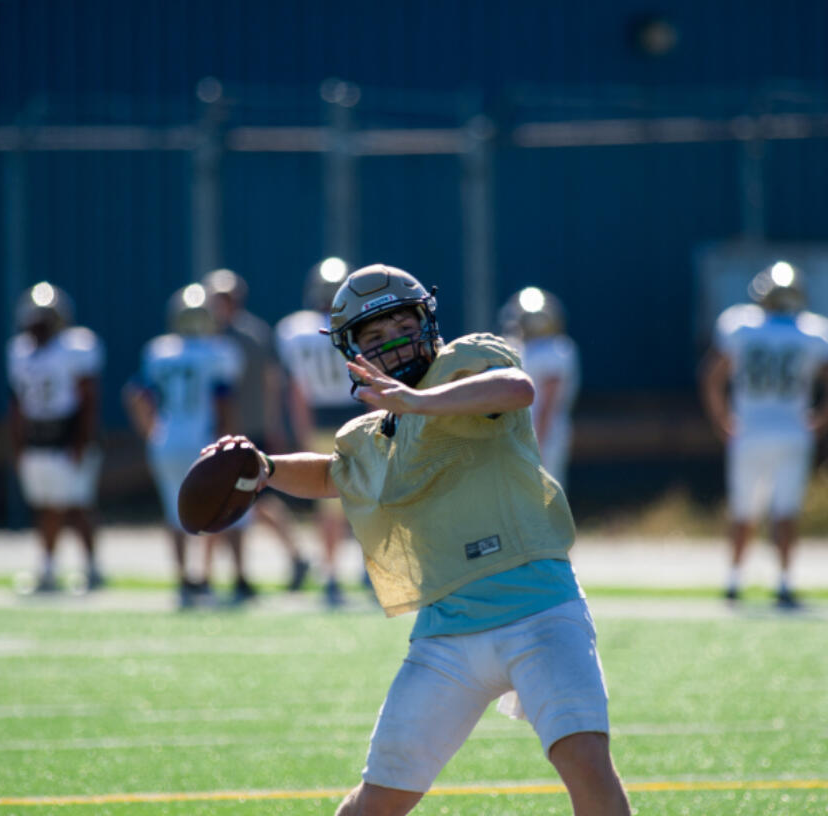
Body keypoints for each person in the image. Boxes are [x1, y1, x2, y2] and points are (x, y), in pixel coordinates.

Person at [211, 263, 631, 816]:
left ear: (427, 321)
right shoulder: (371, 432)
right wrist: (263, 465)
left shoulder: (468, 362)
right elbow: (332, 474)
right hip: (447, 632)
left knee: (585, 765)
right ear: (351, 352)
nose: (392, 344)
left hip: (540, 610)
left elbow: (516, 388)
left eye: (400, 326)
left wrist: (419, 403)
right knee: (377, 800)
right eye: (374, 338)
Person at [700, 261, 828, 609]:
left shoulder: (742, 327)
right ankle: (783, 582)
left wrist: (723, 419)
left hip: (749, 431)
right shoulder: (812, 332)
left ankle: (734, 580)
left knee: (743, 510)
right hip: (792, 431)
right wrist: (822, 419)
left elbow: (713, 376)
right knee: (785, 510)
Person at [124, 283, 244, 609]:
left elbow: (135, 395)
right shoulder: (219, 352)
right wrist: (227, 439)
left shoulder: (160, 351)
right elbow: (224, 402)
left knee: (173, 511)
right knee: (214, 508)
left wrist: (151, 431)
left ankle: (182, 578)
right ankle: (204, 574)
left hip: (166, 440)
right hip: (203, 439)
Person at [203, 268, 309, 601]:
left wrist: (274, 427)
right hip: (217, 432)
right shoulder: (205, 336)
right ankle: (209, 573)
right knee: (218, 501)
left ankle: (294, 556)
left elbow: (270, 382)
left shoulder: (252, 335)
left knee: (252, 500)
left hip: (249, 429)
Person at [275, 257, 365, 606]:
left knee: (328, 505)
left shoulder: (294, 330)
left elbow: (296, 390)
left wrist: (301, 432)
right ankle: (366, 572)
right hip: (354, 413)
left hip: (320, 422)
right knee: (364, 497)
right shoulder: (355, 324)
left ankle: (331, 575)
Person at [6, 282, 105, 593]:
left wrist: (81, 441)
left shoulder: (75, 348)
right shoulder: (19, 351)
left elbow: (88, 399)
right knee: (46, 506)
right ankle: (51, 567)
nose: (39, 327)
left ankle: (87, 567)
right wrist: (19, 444)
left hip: (67, 435)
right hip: (38, 437)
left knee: (76, 506)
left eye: (44, 320)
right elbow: (18, 403)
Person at [499, 286, 581, 490]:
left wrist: (537, 444)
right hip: (527, 431)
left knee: (543, 493)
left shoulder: (556, 351)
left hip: (541, 432)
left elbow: (547, 403)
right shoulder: (526, 348)